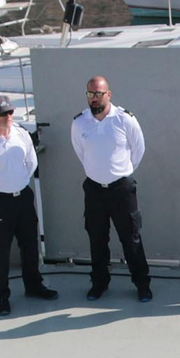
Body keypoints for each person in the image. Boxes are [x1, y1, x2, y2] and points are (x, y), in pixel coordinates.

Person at [0, 93, 56, 316]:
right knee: (0, 252)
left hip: (23, 198)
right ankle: (1, 297)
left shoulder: (22, 135)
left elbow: (30, 163)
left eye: (10, 112)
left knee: (30, 246)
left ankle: (34, 286)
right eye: (2, 113)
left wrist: (17, 185)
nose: (8, 117)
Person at [69, 75, 152, 302]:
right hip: (94, 190)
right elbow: (81, 153)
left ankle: (142, 284)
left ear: (109, 94)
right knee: (96, 238)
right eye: (90, 94)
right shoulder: (79, 122)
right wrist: (98, 173)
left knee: (131, 238)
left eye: (98, 94)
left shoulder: (125, 120)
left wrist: (119, 173)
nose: (94, 99)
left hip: (121, 190)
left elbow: (138, 150)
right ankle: (99, 283)